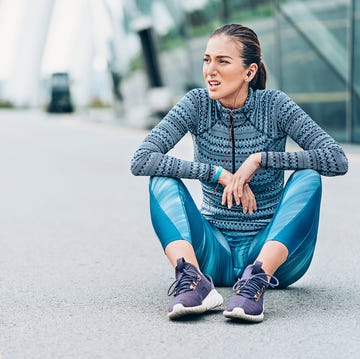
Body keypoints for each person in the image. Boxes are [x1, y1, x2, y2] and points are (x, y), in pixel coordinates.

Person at [130, 24, 348, 322]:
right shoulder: (196, 104)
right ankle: (194, 280)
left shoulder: (275, 106)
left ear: (249, 72)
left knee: (308, 176)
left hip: (273, 254)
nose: (211, 71)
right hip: (213, 253)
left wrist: (261, 159)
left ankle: (255, 281)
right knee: (161, 179)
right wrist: (215, 173)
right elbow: (142, 159)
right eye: (207, 60)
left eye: (223, 61)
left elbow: (336, 159)